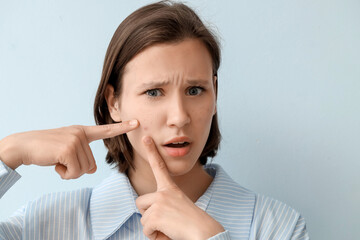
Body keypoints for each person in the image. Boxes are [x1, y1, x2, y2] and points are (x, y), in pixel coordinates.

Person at [0, 1, 309, 239]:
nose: (179, 117)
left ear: (215, 93)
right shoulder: (48, 224)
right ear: (114, 102)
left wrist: (210, 236)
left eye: (195, 89)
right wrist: (8, 153)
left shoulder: (277, 226)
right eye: (153, 92)